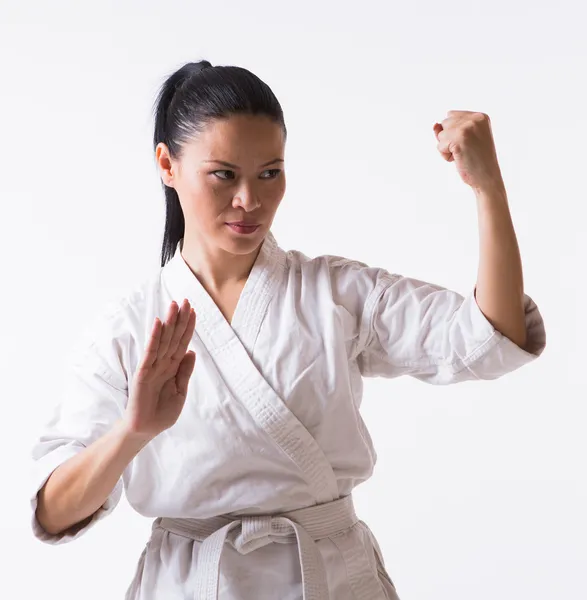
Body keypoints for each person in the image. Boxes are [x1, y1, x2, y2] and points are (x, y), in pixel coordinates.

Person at [29, 60, 546, 600]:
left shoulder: (336, 293)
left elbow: (490, 337)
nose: (249, 201)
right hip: (191, 585)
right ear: (167, 164)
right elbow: (52, 510)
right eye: (224, 175)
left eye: (269, 173)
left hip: (329, 579)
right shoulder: (128, 329)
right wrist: (132, 431)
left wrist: (488, 189)